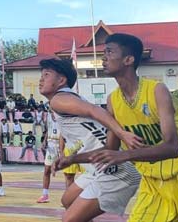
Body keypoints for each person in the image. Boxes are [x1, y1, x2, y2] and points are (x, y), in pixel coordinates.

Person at [89, 33, 178, 221]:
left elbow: (172, 148)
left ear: (128, 59)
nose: (103, 57)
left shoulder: (157, 90)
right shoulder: (113, 101)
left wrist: (124, 155)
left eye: (109, 52)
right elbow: (110, 150)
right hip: (153, 182)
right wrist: (71, 159)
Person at [40, 57, 143, 221]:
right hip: (99, 165)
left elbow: (94, 110)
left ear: (61, 80)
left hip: (117, 171)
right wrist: (70, 159)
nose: (41, 79)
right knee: (68, 200)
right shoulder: (67, 98)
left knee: (69, 219)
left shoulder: (58, 100)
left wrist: (122, 133)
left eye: (46, 75)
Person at [36, 107, 58, 203]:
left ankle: (69, 197)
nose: (52, 112)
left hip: (61, 146)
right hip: (51, 146)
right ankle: (45, 195)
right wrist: (44, 141)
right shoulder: (48, 117)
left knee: (68, 174)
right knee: (46, 170)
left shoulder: (63, 118)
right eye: (51, 110)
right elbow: (48, 130)